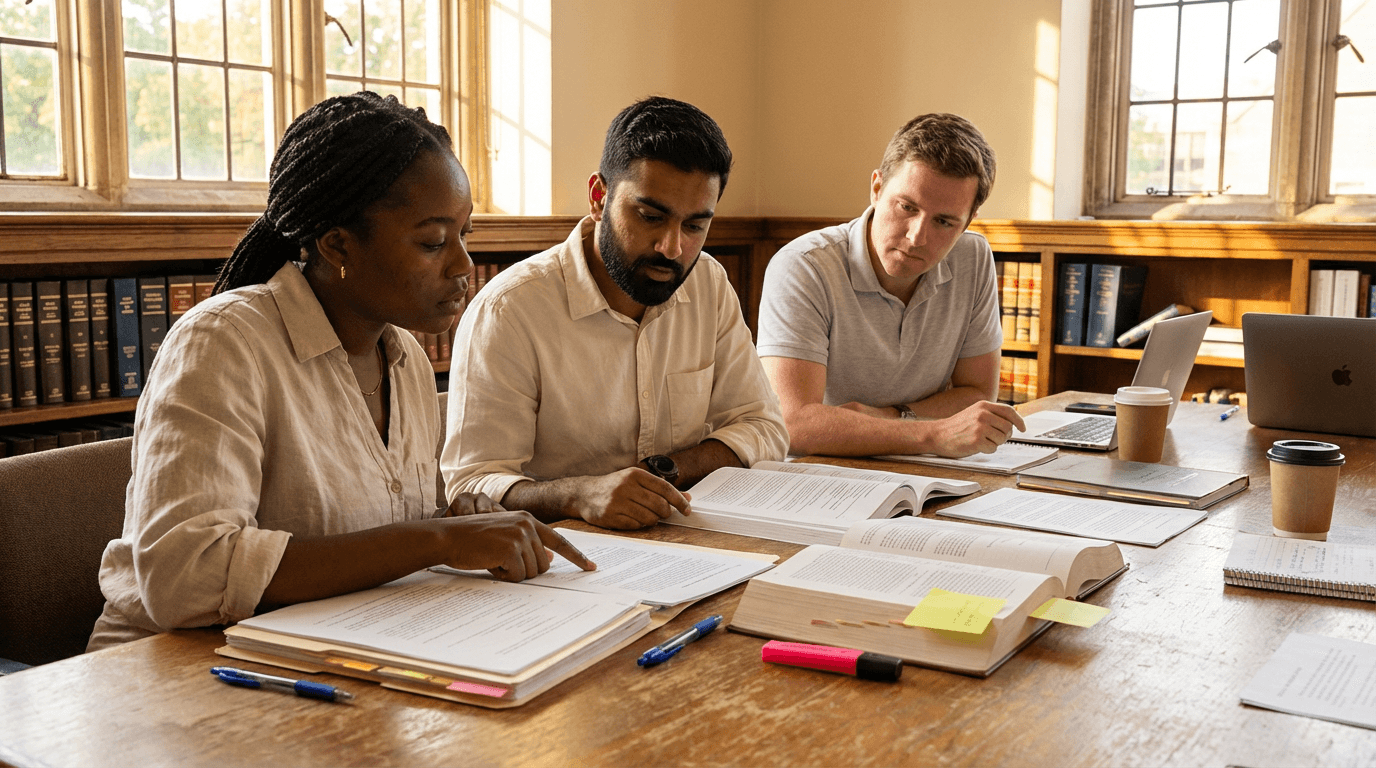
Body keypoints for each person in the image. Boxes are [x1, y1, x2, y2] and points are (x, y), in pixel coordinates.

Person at [88, 92, 591, 652]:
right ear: (336, 244)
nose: (462, 266)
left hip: (332, 654)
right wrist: (437, 538)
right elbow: (186, 577)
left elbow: (389, 531)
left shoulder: (405, 359)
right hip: (173, 672)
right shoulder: (223, 345)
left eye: (464, 235)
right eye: (432, 242)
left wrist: (461, 521)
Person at [442, 96, 788, 531]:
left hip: (689, 541)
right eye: (650, 216)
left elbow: (764, 426)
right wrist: (579, 494)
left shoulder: (708, 284)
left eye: (696, 226)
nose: (672, 247)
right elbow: (472, 484)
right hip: (559, 562)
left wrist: (661, 472)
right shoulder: (510, 310)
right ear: (599, 197)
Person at [755, 113, 1025, 459]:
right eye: (907, 207)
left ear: (968, 222)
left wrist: (894, 418)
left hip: (925, 470)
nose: (917, 237)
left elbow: (975, 395)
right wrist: (932, 434)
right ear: (877, 188)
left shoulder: (972, 257)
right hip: (823, 470)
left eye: (944, 221)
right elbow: (794, 425)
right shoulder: (803, 265)